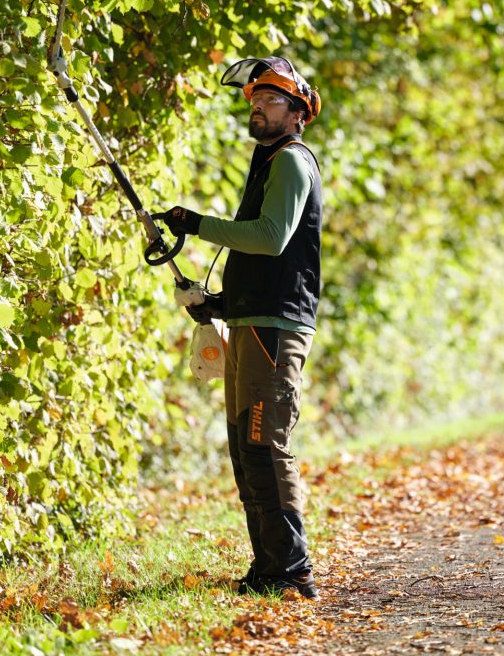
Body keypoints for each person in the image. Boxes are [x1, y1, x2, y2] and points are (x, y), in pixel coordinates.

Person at [161, 56, 323, 600]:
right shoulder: (267, 161)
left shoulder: (293, 161)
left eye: (270, 99)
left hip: (276, 328)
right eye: (253, 98)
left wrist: (198, 225)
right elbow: (264, 260)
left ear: (298, 111)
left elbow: (271, 237)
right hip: (253, 320)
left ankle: (292, 569)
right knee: (243, 443)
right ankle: (268, 565)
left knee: (263, 440)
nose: (257, 105)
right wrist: (218, 304)